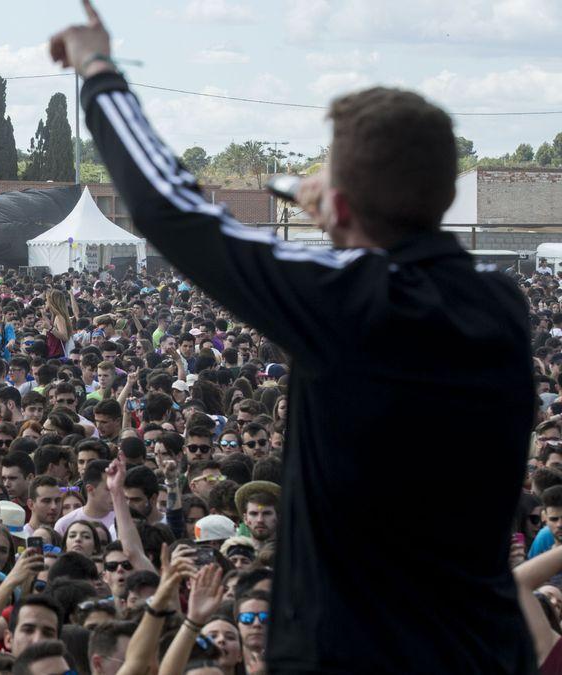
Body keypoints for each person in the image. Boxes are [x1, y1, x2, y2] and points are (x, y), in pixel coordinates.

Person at [51, 2, 534, 671]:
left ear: (336, 208)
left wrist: (98, 70)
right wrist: (342, 216)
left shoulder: (351, 304)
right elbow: (389, 247)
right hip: (481, 652)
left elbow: (175, 211)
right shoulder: (501, 303)